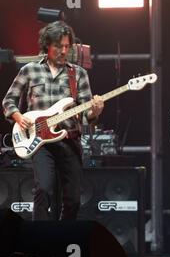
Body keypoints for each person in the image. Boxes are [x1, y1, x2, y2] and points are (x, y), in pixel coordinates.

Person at [2, 21, 104, 221]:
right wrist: (18, 117)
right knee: (44, 190)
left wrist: (95, 111)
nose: (64, 51)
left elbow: (85, 116)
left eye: (67, 46)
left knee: (74, 199)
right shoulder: (30, 70)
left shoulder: (79, 74)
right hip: (40, 142)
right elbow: (8, 101)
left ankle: (62, 239)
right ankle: (39, 241)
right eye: (59, 46)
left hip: (69, 141)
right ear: (47, 45)